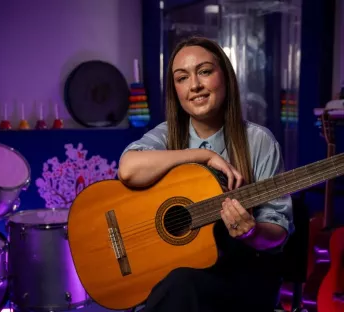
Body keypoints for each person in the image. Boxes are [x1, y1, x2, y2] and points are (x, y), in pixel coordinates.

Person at [118, 36, 294, 312]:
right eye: (182, 78)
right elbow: (128, 169)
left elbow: (278, 233)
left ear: (225, 76)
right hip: (176, 274)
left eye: (204, 71)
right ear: (175, 89)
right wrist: (203, 155)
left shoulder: (259, 141)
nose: (195, 86)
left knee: (178, 286)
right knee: (173, 285)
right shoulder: (166, 135)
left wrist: (251, 232)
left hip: (243, 276)